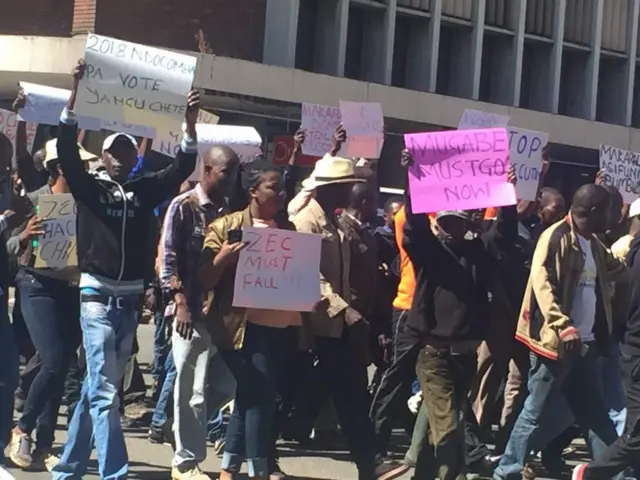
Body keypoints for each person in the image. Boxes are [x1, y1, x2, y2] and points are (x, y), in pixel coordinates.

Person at [51, 58, 199, 480]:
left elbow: (183, 168)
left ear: (135, 156)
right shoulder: (89, 188)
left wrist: (189, 125)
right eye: (114, 151)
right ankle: (114, 473)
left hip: (130, 301)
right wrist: (74, 92)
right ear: (103, 155)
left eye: (127, 150)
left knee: (94, 391)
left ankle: (68, 468)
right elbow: (65, 150)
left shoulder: (144, 188)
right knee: (104, 392)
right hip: (96, 297)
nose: (121, 157)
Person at [495, 184, 628, 480]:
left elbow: (618, 269)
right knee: (534, 411)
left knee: (594, 414)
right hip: (556, 345)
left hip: (587, 345)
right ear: (592, 211)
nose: (612, 217)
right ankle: (507, 470)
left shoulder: (593, 243)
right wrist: (562, 324)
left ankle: (611, 472)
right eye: (607, 211)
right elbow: (542, 284)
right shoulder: (555, 237)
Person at [401, 150, 516, 480]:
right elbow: (415, 226)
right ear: (438, 221)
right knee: (450, 429)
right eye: (445, 220)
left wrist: (507, 195)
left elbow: (505, 233)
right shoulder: (430, 252)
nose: (450, 227)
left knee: (437, 425)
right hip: (434, 355)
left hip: (466, 356)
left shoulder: (480, 251)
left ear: (468, 221)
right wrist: (412, 182)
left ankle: (421, 473)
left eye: (457, 220)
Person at [291, 154, 407, 480]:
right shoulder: (307, 222)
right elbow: (307, 274)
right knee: (290, 391)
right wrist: (343, 307)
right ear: (331, 189)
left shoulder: (337, 221)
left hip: (336, 327)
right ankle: (261, 450)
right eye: (346, 186)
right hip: (311, 325)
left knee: (352, 395)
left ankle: (370, 464)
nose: (352, 191)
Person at [198, 159, 303, 480]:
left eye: (284, 188)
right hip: (242, 328)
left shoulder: (288, 230)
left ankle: (229, 468)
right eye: (275, 187)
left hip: (281, 327)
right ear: (253, 190)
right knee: (260, 394)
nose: (282, 194)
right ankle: (258, 469)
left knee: (249, 396)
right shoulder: (226, 227)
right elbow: (203, 279)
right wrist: (223, 259)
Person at [6, 139, 97, 472]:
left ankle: (45, 445)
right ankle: (23, 427)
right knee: (55, 360)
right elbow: (11, 248)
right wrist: (27, 233)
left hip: (70, 289)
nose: (85, 171)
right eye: (80, 165)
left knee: (59, 366)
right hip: (36, 285)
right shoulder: (34, 200)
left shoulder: (87, 204)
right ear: (61, 168)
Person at [160, 145, 239, 480]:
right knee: (192, 389)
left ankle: (175, 426)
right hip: (188, 312)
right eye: (226, 171)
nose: (232, 178)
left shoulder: (229, 210)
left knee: (227, 384)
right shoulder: (184, 206)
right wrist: (180, 302)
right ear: (208, 169)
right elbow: (167, 258)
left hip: (219, 314)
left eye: (235, 172)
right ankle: (185, 462)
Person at [572, 197, 640, 479]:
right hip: (631, 349)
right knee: (635, 432)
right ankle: (590, 473)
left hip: (620, 344)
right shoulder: (631, 251)